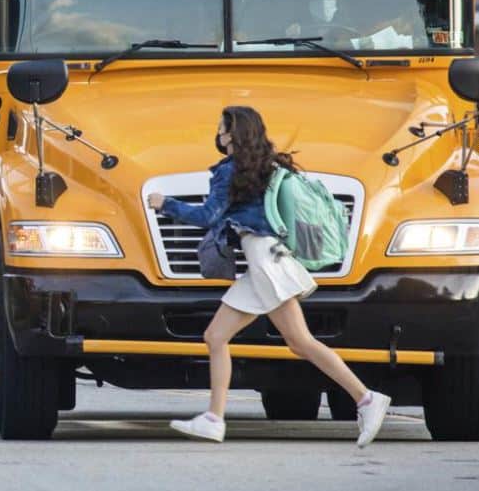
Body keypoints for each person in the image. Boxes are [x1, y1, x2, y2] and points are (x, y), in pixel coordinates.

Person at [146, 106, 390, 447]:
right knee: (216, 336)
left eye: (221, 127)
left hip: (265, 261)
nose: (217, 132)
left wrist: (165, 203)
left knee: (300, 342)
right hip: (265, 258)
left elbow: (208, 216)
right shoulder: (265, 166)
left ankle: (366, 398)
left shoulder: (229, 171)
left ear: (231, 134)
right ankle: (214, 419)